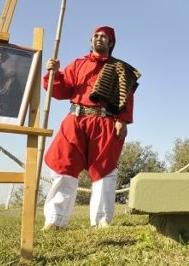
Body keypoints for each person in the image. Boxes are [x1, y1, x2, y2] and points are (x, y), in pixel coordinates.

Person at [41, 26, 140, 230]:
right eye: (96, 36)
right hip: (75, 120)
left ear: (110, 43)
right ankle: (55, 219)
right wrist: (54, 74)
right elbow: (61, 91)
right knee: (64, 167)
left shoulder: (120, 68)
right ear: (91, 41)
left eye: (104, 36)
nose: (99, 39)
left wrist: (122, 119)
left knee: (104, 170)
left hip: (105, 122)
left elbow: (127, 96)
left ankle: (101, 221)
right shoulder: (77, 64)